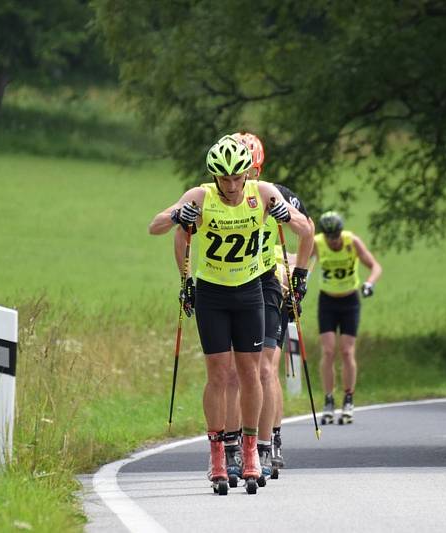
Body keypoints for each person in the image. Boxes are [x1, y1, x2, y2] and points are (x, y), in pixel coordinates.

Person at [149, 134, 312, 492]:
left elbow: (306, 230)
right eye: (225, 178)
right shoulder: (201, 196)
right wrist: (178, 215)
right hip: (212, 294)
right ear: (214, 176)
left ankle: (253, 451)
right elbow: (157, 226)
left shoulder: (264, 192)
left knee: (252, 373)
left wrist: (288, 220)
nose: (233, 185)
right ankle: (218, 456)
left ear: (248, 174)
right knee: (220, 376)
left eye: (238, 177)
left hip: (252, 291)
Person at [211, 132, 314, 481]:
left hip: (270, 280)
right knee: (234, 373)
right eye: (240, 174)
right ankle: (235, 445)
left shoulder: (275, 193)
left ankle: (269, 443)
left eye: (250, 172)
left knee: (264, 369)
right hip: (233, 281)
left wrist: (298, 275)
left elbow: (307, 232)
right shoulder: (220, 195)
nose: (243, 182)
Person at [312, 211, 382, 425]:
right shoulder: (318, 242)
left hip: (350, 301)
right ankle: (328, 399)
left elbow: (375, 266)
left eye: (336, 236)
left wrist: (369, 283)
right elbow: (306, 263)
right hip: (327, 301)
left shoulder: (352, 242)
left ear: (341, 232)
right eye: (329, 236)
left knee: (347, 350)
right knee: (328, 350)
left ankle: (348, 398)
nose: (333, 241)